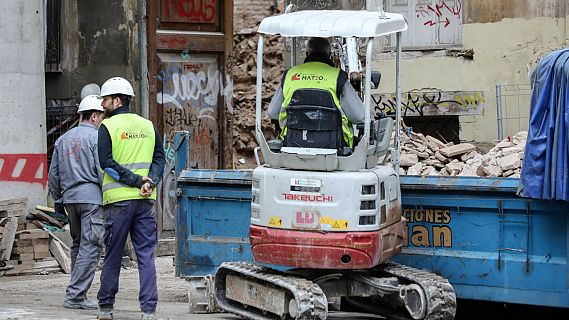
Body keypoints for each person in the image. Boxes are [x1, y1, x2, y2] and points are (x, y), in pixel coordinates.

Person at [95, 77, 165, 320]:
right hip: (145, 202)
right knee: (146, 255)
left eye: (105, 99)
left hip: (118, 203)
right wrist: (150, 181)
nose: (102, 104)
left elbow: (107, 165)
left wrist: (136, 181)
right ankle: (148, 311)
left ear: (116, 100)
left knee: (113, 254)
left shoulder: (107, 127)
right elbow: (160, 160)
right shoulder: (148, 125)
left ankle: (106, 308)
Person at [48, 94, 106, 310]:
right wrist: (108, 196)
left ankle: (78, 294)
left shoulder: (62, 140)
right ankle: (74, 295)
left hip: (70, 200)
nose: (102, 120)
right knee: (91, 247)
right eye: (101, 116)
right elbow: (101, 171)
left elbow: (53, 175)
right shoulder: (96, 138)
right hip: (92, 201)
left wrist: (58, 199)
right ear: (93, 116)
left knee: (79, 245)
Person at [268, 37, 365, 150]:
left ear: (307, 53)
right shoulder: (338, 77)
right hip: (335, 147)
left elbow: (273, 113)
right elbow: (359, 116)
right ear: (329, 55)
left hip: (292, 144)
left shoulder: (290, 75)